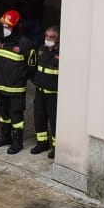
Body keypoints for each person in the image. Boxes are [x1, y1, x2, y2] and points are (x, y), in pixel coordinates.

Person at [0, 10, 37, 155]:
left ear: (16, 27)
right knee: (3, 114)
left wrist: (19, 78)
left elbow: (31, 67)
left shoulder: (26, 44)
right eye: (4, 25)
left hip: (15, 89)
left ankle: (17, 142)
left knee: (16, 117)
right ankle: (5, 136)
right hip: (0, 87)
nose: (5, 29)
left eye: (8, 26)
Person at [31, 25, 60, 158]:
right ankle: (42, 143)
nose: (48, 39)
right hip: (40, 91)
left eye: (52, 37)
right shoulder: (41, 49)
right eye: (46, 36)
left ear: (58, 38)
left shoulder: (61, 54)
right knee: (39, 118)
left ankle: (56, 147)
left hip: (53, 95)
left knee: (54, 122)